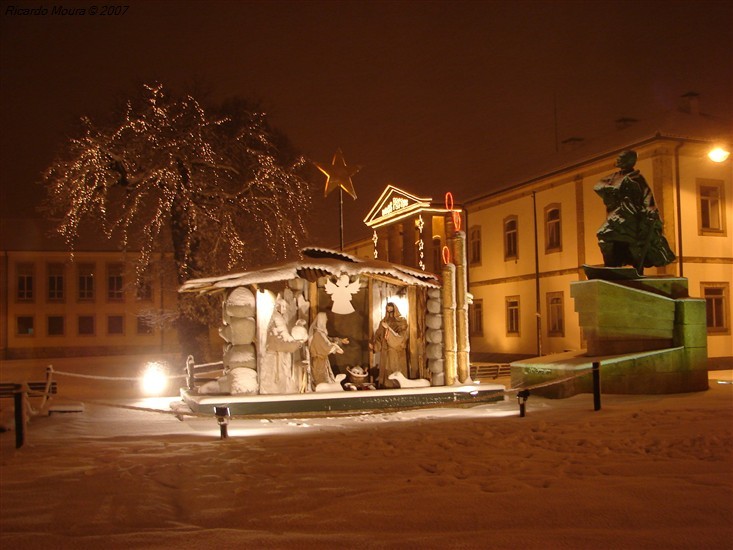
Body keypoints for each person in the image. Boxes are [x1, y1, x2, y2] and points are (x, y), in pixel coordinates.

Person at [593, 150, 675, 273]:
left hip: (631, 216)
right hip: (615, 216)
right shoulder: (613, 177)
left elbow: (647, 196)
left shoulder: (637, 178)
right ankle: (611, 266)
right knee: (603, 236)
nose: (618, 160)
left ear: (630, 161)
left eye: (621, 158)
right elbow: (597, 186)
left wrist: (650, 209)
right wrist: (609, 188)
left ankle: (637, 269)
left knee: (634, 243)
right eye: (618, 157)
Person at [369, 302, 408, 388]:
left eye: (392, 311)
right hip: (385, 351)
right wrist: (374, 345)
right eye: (388, 311)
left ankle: (397, 386)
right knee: (386, 370)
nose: (390, 313)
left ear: (395, 310)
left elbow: (401, 337)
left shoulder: (401, 321)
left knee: (395, 370)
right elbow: (379, 335)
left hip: (396, 351)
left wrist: (388, 329)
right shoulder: (384, 321)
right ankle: (386, 387)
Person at [307, 312, 349, 388]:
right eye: (325, 318)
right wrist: (335, 346)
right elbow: (326, 347)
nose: (327, 320)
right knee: (322, 384)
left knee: (326, 382)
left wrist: (340, 341)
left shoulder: (321, 333)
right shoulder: (317, 335)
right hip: (318, 363)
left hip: (322, 361)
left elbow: (329, 340)